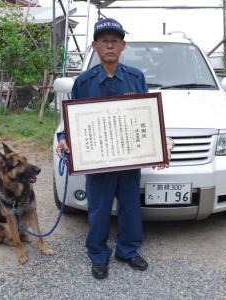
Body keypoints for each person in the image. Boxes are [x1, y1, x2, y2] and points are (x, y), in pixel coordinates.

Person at [56, 18, 152, 280]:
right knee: (98, 208)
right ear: (95, 47)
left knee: (131, 205)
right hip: (98, 160)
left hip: (129, 156)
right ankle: (98, 254)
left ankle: (128, 250)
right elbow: (71, 117)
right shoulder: (84, 82)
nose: (109, 46)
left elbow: (147, 117)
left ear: (123, 46)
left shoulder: (136, 78)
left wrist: (157, 145)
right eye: (103, 41)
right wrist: (64, 138)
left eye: (114, 41)